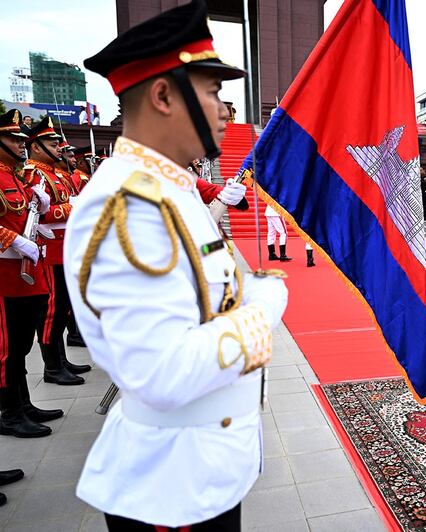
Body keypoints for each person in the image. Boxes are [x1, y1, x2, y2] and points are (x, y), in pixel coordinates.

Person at [65, 1, 288, 529]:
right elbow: (160, 373)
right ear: (164, 95)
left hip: (202, 463)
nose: (223, 109)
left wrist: (247, 291)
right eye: (211, 92)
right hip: (171, 486)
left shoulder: (171, 189)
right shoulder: (128, 204)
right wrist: (266, 310)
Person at [0, 109, 64, 442]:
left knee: (21, 346)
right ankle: (10, 412)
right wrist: (14, 241)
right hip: (7, 277)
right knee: (9, 348)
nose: (20, 144)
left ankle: (23, 403)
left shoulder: (16, 176)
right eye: (12, 138)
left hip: (27, 273)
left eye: (22, 138)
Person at [22, 117, 89, 385]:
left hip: (64, 247)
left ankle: (60, 359)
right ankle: (52, 365)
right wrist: (75, 206)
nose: (59, 147)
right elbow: (39, 214)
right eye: (52, 142)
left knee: (62, 308)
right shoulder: (33, 173)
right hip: (48, 249)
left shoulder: (55, 173)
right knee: (52, 310)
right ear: (36, 146)